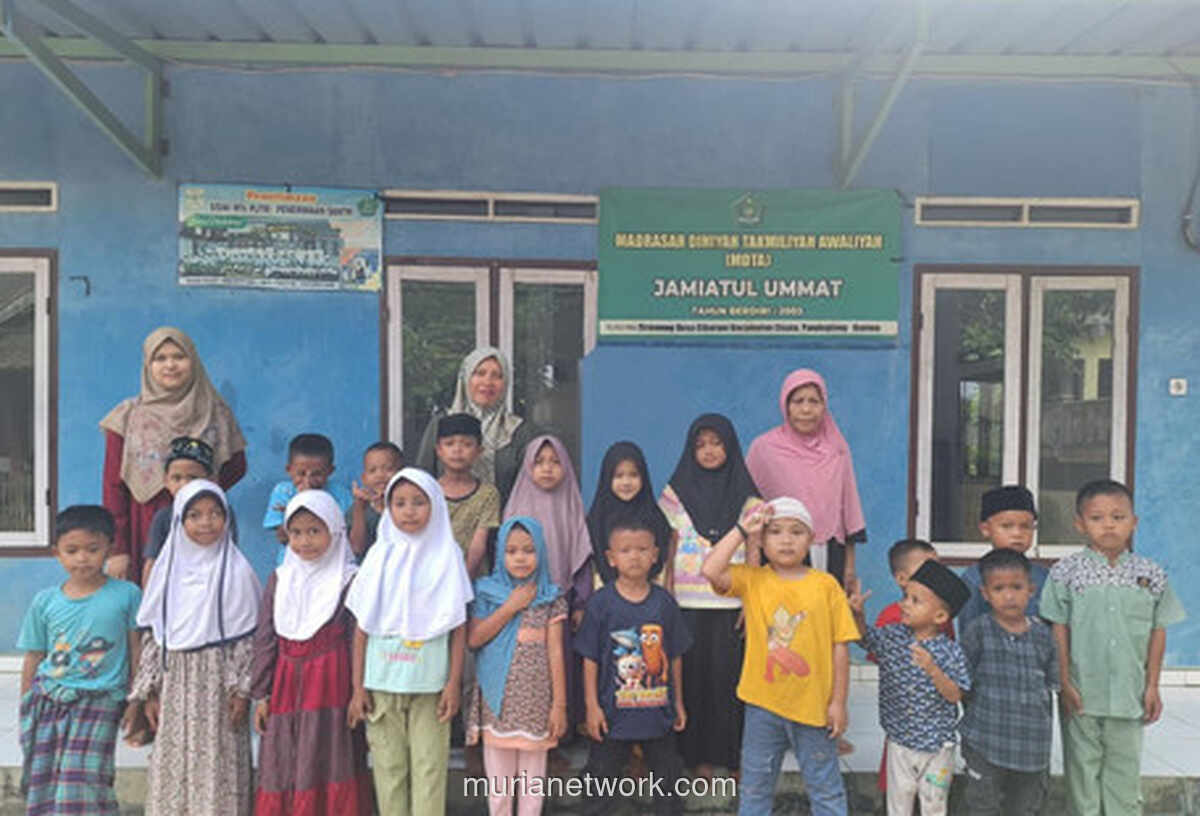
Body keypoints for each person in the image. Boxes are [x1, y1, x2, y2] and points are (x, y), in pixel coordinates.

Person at [702, 498, 857, 816]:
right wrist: (742, 529)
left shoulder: (826, 586)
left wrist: (838, 703)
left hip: (813, 707)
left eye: (796, 532)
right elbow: (711, 569)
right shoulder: (753, 579)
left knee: (825, 789)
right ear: (761, 540)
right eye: (775, 532)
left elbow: (840, 646)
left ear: (811, 540)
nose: (786, 540)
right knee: (755, 788)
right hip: (762, 706)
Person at [1039, 479, 1186, 815]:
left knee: (1124, 774)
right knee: (1082, 773)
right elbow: (1058, 629)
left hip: (1129, 693)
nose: (1108, 525)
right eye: (1097, 518)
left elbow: (1158, 630)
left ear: (1134, 522)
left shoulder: (1151, 575)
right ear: (1080, 524)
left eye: (1118, 517)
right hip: (1081, 692)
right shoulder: (1065, 573)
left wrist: (1152, 685)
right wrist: (1064, 681)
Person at [126, 480, 262, 816]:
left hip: (220, 683)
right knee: (175, 764)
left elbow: (247, 638)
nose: (206, 522)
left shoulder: (238, 572)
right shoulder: (165, 574)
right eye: (195, 515)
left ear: (227, 519)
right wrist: (150, 692)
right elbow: (155, 636)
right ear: (179, 521)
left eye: (215, 513)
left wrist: (242, 691)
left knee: (219, 762)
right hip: (175, 684)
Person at [346, 469, 473, 816]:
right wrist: (357, 688)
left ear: (435, 505)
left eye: (419, 502)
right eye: (399, 503)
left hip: (431, 687)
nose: (409, 511)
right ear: (388, 507)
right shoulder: (378, 556)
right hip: (382, 684)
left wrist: (453, 683)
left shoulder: (447, 555)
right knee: (388, 771)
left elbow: (458, 626)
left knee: (430, 770)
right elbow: (362, 628)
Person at [251, 490, 372, 816]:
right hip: (285, 686)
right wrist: (261, 695)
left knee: (331, 754)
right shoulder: (281, 579)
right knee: (284, 755)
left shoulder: (349, 579)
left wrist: (358, 691)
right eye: (296, 533)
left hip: (333, 684)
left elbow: (357, 639)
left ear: (334, 530)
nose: (305, 542)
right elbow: (266, 637)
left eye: (314, 531)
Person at [18, 506, 142, 815]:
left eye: (92, 549)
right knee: (44, 778)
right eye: (71, 550)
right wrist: (26, 702)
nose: (82, 558)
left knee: (85, 779)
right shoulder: (45, 601)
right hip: (48, 697)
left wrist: (136, 700)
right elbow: (34, 656)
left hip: (101, 699)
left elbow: (136, 649)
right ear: (56, 553)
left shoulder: (127, 594)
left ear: (109, 548)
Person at [101, 326, 246, 582]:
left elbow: (236, 466)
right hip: (143, 525)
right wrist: (117, 549)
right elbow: (113, 486)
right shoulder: (127, 416)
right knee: (151, 593)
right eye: (160, 358)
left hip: (202, 525)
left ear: (194, 361)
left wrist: (196, 490)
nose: (170, 365)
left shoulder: (216, 412)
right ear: (148, 365)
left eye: (179, 356)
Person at [659, 415, 761, 778]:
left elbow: (754, 550)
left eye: (716, 443)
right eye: (701, 444)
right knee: (693, 682)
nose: (709, 451)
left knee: (728, 682)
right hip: (686, 602)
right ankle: (696, 756)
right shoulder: (674, 493)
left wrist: (751, 600)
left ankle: (732, 758)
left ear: (730, 446)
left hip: (731, 602)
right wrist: (666, 594)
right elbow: (669, 548)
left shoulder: (748, 496)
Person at [576, 518, 691, 816]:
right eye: (625, 550)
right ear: (611, 558)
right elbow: (590, 658)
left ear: (655, 555)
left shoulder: (664, 603)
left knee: (668, 788)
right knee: (600, 786)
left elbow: (675, 656)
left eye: (642, 549)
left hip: (658, 713)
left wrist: (678, 702)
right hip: (612, 715)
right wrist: (592, 707)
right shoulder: (601, 603)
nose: (635, 556)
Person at [848, 561, 971, 816]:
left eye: (915, 600)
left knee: (934, 802)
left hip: (938, 746)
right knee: (899, 800)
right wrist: (858, 615)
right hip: (900, 741)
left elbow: (955, 695)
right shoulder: (893, 636)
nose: (904, 604)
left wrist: (933, 669)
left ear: (940, 617)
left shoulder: (950, 652)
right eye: (905, 596)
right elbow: (864, 639)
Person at [465, 517, 568, 816]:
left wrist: (559, 706)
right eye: (511, 551)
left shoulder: (550, 597)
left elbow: (556, 652)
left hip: (536, 704)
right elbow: (474, 639)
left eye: (528, 550)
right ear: (500, 554)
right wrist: (511, 605)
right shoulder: (487, 592)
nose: (520, 558)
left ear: (542, 552)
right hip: (498, 706)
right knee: (499, 788)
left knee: (532, 787)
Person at [504, 436, 595, 734]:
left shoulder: (571, 502)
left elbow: (581, 555)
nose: (547, 468)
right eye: (539, 462)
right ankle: (525, 730)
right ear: (528, 467)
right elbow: (503, 556)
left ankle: (559, 735)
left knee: (560, 664)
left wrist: (580, 602)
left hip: (560, 601)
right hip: (522, 601)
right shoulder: (517, 505)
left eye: (555, 462)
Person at [959, 548, 1057, 816]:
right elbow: (963, 683)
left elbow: (1052, 681)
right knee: (983, 805)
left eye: (1017, 587)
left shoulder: (1043, 635)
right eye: (999, 588)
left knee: (1025, 807)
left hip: (1032, 744)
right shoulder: (977, 632)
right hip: (985, 739)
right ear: (985, 593)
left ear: (1031, 590)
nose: (1009, 596)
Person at [746, 369, 865, 587]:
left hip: (829, 551)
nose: (806, 409)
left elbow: (849, 509)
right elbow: (748, 509)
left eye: (814, 401)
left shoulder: (837, 449)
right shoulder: (763, 449)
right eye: (798, 401)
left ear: (824, 405)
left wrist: (849, 567)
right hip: (778, 551)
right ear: (786, 405)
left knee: (824, 604)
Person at [869, 539, 953, 794]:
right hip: (903, 707)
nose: (936, 576)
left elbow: (949, 655)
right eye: (928, 569)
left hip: (935, 708)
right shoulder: (890, 616)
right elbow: (880, 656)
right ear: (902, 579)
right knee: (898, 767)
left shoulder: (942, 615)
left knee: (934, 776)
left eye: (938, 568)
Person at [415, 346, 543, 504]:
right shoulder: (442, 423)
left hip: (507, 518)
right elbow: (422, 478)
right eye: (480, 373)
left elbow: (529, 488)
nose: (488, 382)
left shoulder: (518, 430)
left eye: (497, 376)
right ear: (466, 378)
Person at [956, 485, 1048, 637]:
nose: (1017, 533)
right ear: (985, 529)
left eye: (1025, 526)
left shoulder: (1044, 577)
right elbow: (969, 633)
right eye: (1007, 526)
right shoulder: (974, 577)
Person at [587, 440, 671, 586]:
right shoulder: (596, 521)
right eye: (619, 476)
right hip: (605, 593)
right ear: (607, 478)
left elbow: (662, 561)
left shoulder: (655, 518)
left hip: (648, 591)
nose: (626, 482)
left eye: (633, 475)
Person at [263, 433, 353, 562]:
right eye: (301, 473)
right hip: (292, 563)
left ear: (330, 471)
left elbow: (346, 534)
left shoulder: (341, 494)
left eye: (317, 474)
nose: (308, 480)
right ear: (289, 469)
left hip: (332, 562)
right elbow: (283, 538)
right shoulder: (284, 492)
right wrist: (300, 501)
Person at [438, 414, 501, 578]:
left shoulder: (487, 494)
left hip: (473, 578)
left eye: (467, 444)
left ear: (479, 451)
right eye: (449, 444)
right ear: (438, 450)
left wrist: (463, 581)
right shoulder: (428, 491)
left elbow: (478, 546)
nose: (457, 450)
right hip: (435, 577)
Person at [347, 441, 403, 558]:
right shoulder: (358, 508)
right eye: (372, 470)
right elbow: (357, 548)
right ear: (364, 478)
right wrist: (359, 507)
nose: (380, 475)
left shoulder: (408, 505)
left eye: (388, 469)